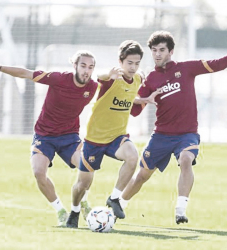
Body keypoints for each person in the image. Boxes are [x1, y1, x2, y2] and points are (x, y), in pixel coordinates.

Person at [120, 31, 227, 224]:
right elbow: (134, 110)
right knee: (142, 176)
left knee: (186, 159)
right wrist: (131, 93)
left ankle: (180, 210)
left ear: (171, 51)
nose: (157, 54)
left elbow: (217, 64)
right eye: (154, 50)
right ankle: (118, 206)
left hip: (187, 134)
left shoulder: (186, 68)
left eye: (161, 50)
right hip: (160, 136)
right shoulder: (150, 79)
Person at [0, 50, 98, 226]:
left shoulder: (92, 87)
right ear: (75, 66)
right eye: (83, 65)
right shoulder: (58, 78)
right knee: (39, 172)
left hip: (69, 137)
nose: (87, 70)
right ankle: (61, 212)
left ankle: (82, 201)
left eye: (91, 67)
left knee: (87, 166)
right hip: (45, 135)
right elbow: (25, 73)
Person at [66, 40, 162, 228]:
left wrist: (144, 100)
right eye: (129, 63)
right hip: (94, 140)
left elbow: (129, 99)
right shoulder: (110, 79)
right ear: (120, 62)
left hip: (117, 137)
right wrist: (107, 74)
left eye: (136, 63)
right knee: (82, 185)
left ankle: (115, 198)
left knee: (133, 157)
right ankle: (75, 210)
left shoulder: (137, 79)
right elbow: (101, 77)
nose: (133, 67)